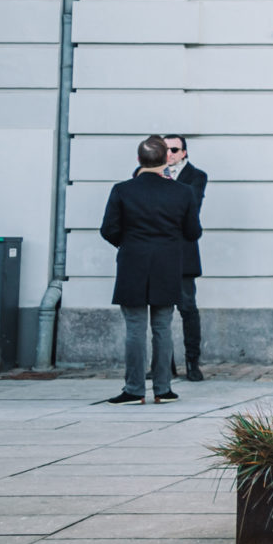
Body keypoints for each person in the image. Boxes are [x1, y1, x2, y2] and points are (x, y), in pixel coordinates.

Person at [98, 135, 201, 404]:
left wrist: (128, 243)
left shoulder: (122, 189)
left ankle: (133, 389)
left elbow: (108, 229)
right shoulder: (183, 192)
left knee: (134, 328)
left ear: (138, 160)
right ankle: (163, 389)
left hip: (133, 262)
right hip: (168, 264)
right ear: (166, 158)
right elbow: (193, 232)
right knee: (163, 327)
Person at [161, 134, 207, 382]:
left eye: (174, 149)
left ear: (184, 152)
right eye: (164, 149)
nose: (169, 154)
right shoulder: (147, 172)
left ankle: (192, 362)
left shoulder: (196, 176)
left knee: (188, 309)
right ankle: (164, 364)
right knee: (160, 311)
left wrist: (164, 183)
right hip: (158, 254)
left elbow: (192, 205)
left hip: (184, 253)